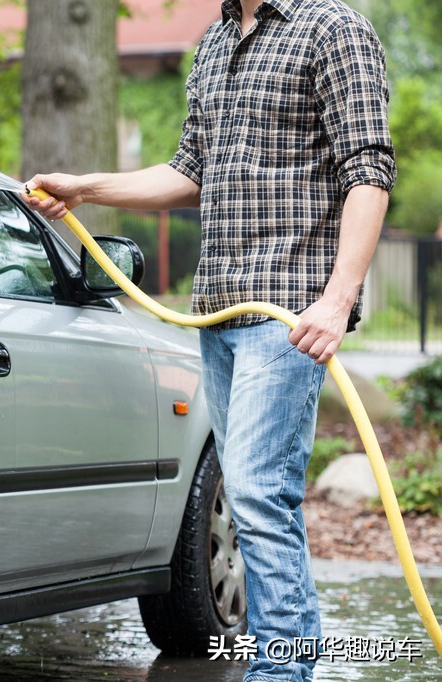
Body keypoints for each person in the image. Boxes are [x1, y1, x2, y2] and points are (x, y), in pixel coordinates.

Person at [24, 1, 395, 680]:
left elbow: (366, 170)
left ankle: (279, 671)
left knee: (255, 495)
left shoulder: (330, 27)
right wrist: (87, 187)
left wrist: (337, 299)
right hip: (220, 315)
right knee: (258, 499)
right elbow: (189, 170)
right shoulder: (216, 40)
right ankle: (291, 662)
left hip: (287, 311)